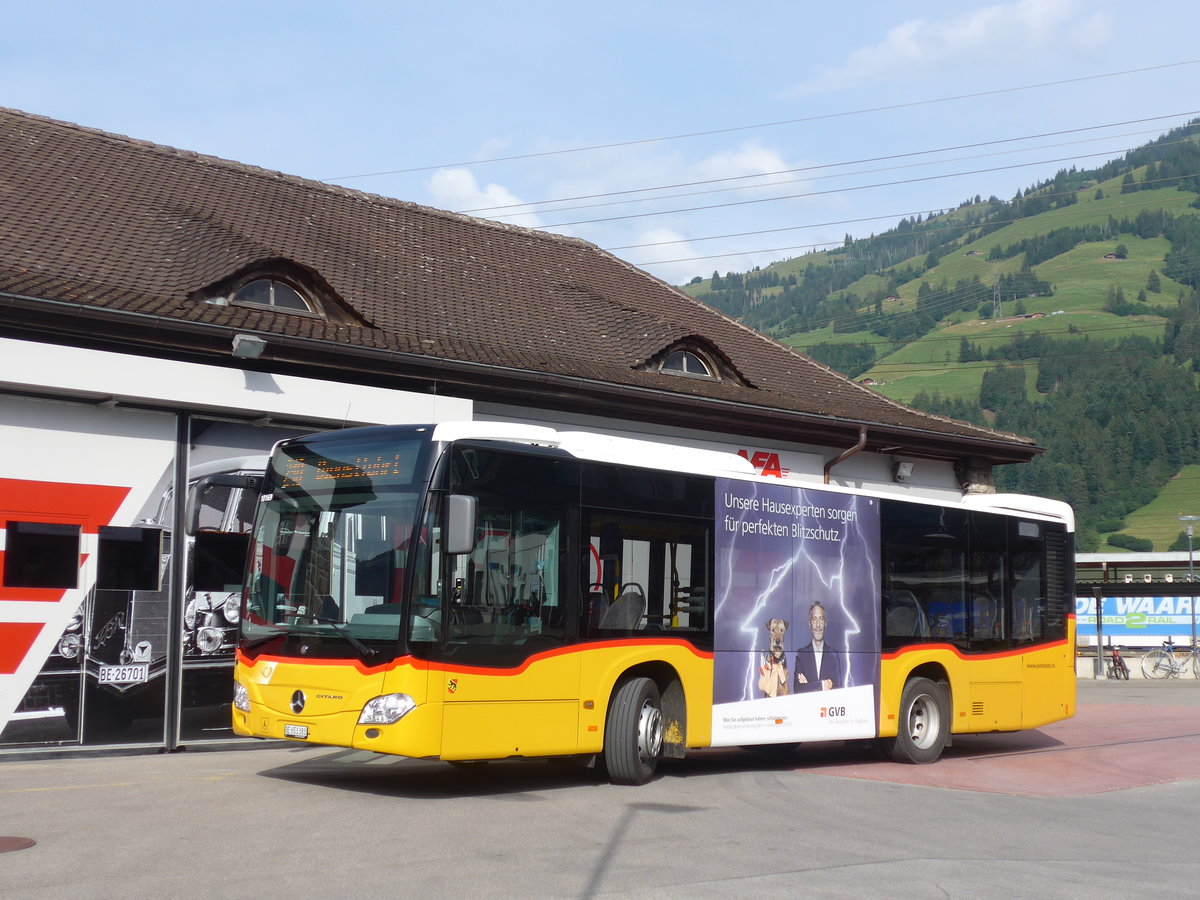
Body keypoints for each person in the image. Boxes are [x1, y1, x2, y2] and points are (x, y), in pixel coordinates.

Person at [795, 601, 844, 692]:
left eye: (821, 619)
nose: (818, 625)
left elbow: (837, 690)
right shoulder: (801, 655)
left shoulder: (833, 655)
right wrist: (822, 686)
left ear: (825, 623)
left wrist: (809, 686)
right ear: (809, 624)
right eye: (814, 619)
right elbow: (798, 689)